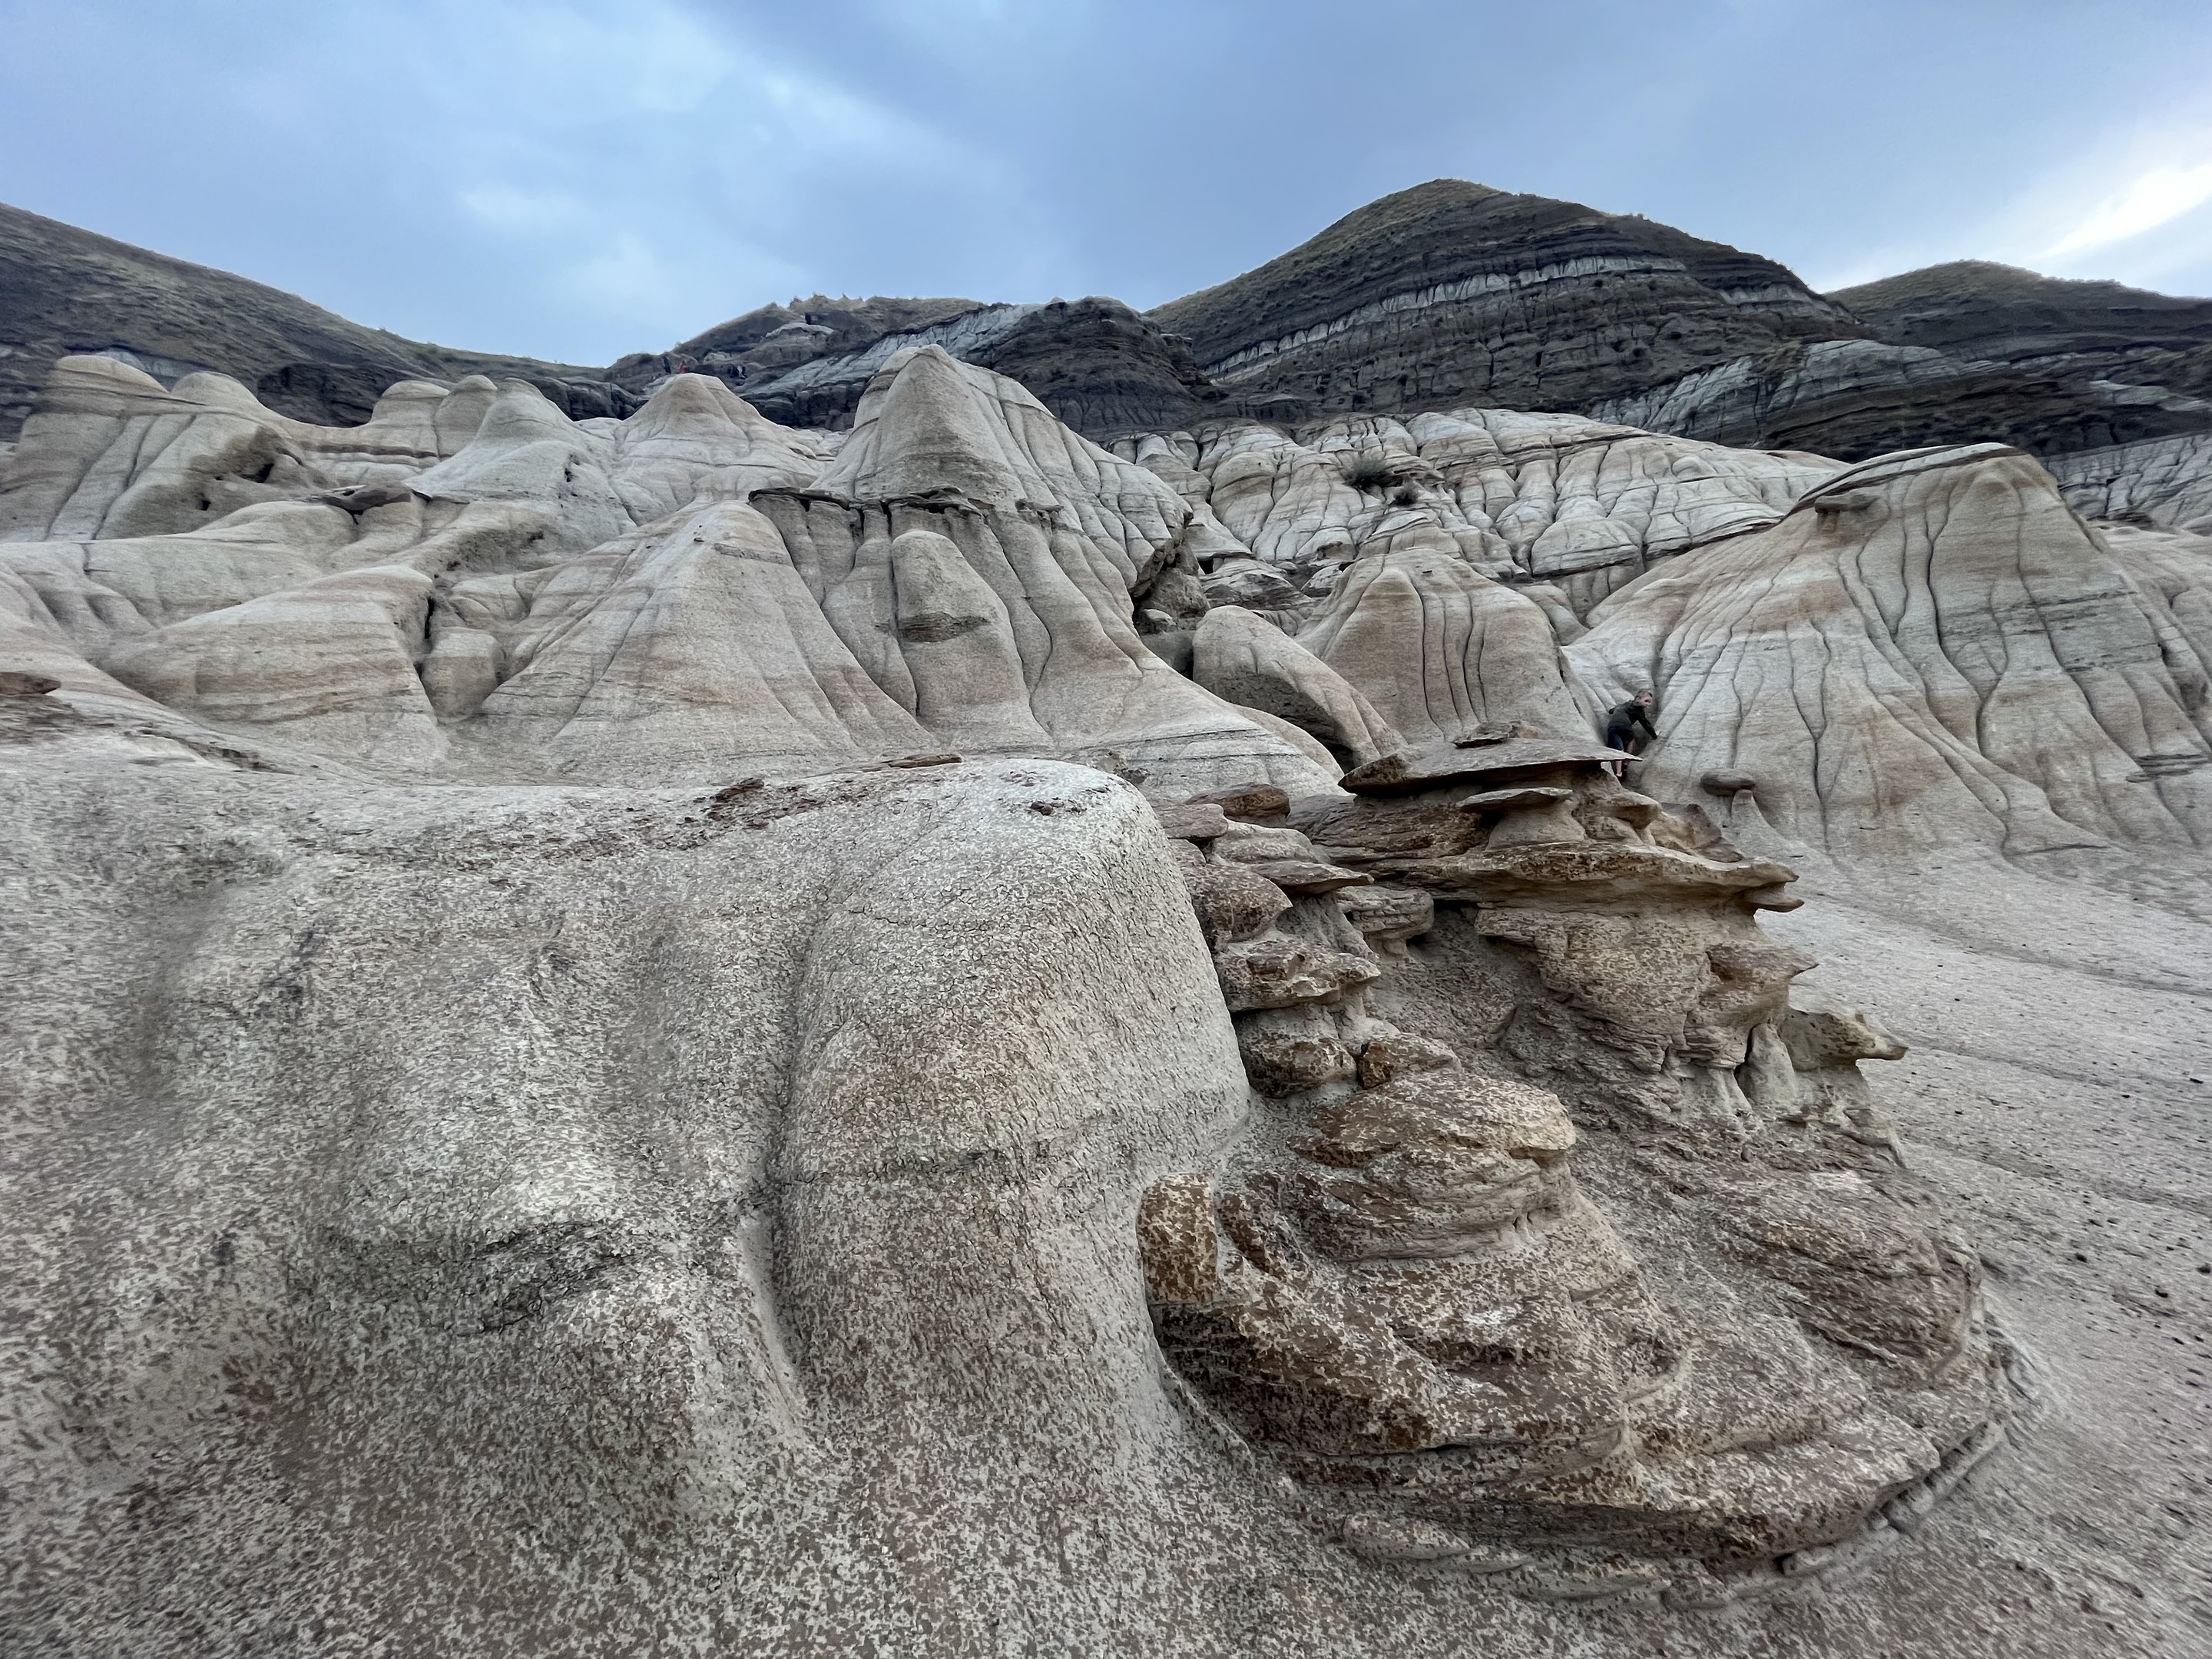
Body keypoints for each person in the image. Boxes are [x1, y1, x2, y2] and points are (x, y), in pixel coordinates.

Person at [1604, 691, 1657, 756]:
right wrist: (1654, 736)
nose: (1648, 704)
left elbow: (1612, 710)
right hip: (1625, 726)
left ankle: (1619, 759)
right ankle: (1627, 759)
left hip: (1612, 726)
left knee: (1617, 747)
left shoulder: (1625, 704)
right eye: (1646, 701)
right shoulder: (1639, 711)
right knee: (1631, 740)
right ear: (1637, 699)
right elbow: (1646, 724)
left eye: (1649, 702)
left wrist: (1610, 711)